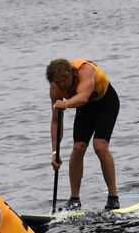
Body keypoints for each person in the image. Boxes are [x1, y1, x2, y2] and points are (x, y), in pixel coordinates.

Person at [46, 58, 120, 212]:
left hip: (106, 102)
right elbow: (56, 122)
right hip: (85, 108)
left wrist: (65, 103)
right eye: (57, 83)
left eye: (64, 81)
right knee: (78, 147)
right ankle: (74, 199)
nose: (62, 86)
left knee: (99, 146)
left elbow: (83, 97)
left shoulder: (85, 71)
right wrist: (55, 152)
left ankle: (113, 198)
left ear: (71, 74)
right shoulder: (55, 89)